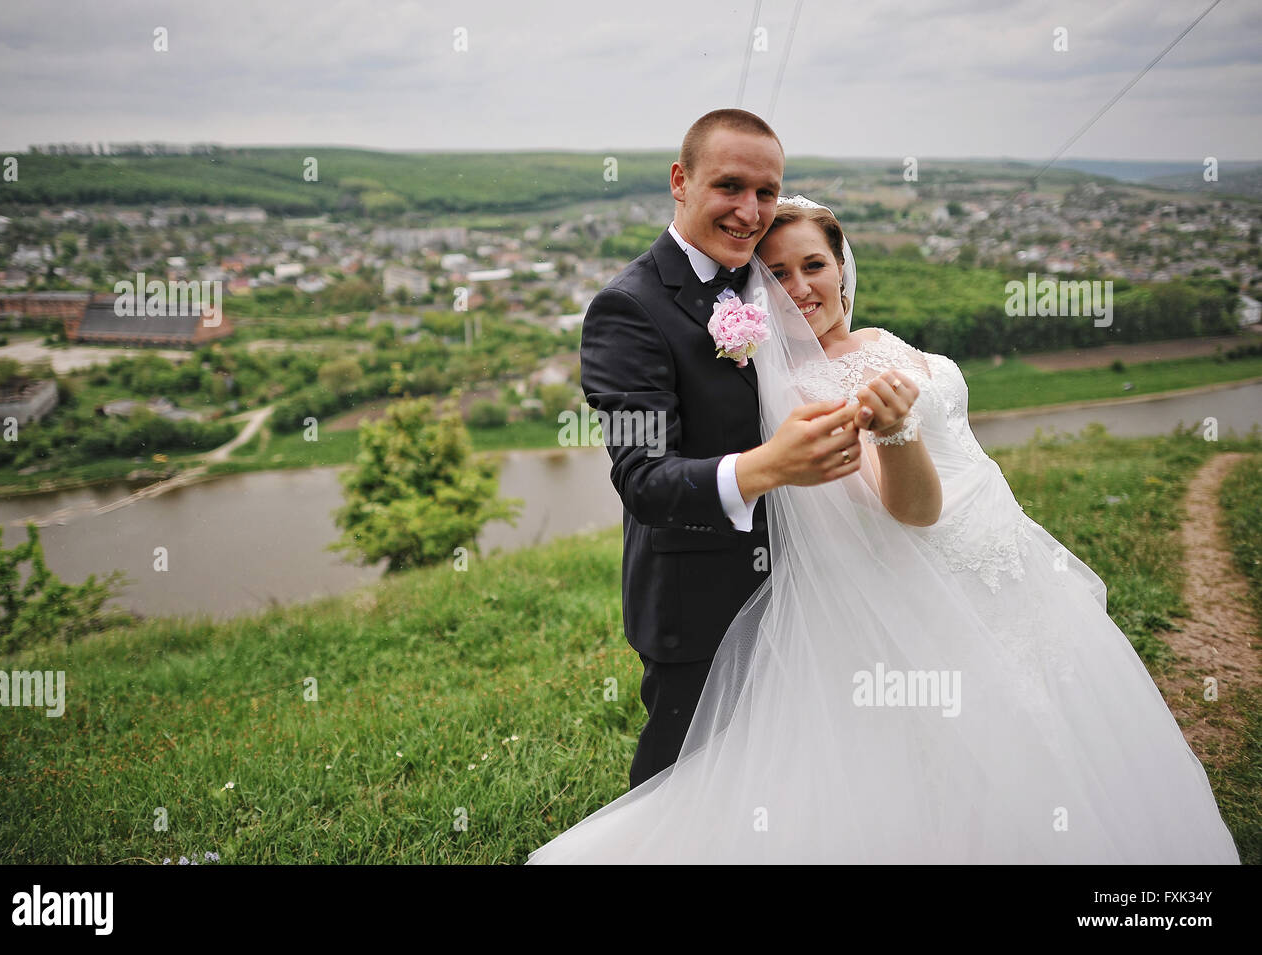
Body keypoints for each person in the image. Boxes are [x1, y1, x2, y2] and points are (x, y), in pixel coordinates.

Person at [527, 196, 1241, 863]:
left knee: (1061, 740)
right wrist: (899, 433)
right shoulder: (809, 390)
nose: (800, 285)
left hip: (1005, 568)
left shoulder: (874, 340)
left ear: (842, 267)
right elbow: (912, 510)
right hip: (929, 584)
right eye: (775, 275)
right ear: (755, 294)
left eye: (814, 264)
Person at [576, 109, 874, 792]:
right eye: (730, 187)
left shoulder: (774, 277)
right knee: (680, 787)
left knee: (783, 775)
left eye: (767, 192)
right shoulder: (627, 308)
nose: (750, 211)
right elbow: (643, 479)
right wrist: (773, 466)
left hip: (809, 588)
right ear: (680, 181)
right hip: (700, 603)